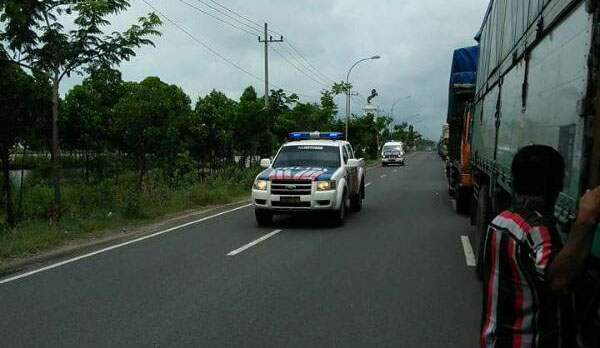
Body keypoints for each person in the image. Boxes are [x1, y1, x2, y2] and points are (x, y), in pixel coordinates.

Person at [480, 145, 600, 348]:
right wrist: (585, 221)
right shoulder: (536, 231)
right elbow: (558, 279)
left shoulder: (499, 222)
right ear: (557, 185)